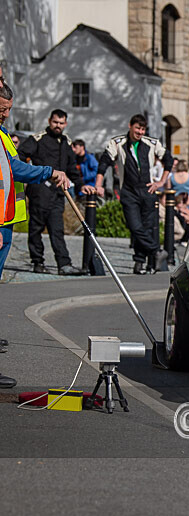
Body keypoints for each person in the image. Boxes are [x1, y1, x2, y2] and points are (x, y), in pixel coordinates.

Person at [0, 77, 70, 388]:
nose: (5, 114)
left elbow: (13, 168)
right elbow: (18, 167)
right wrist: (47, 171)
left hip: (6, 223)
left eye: (8, 109)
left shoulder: (2, 136)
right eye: (2, 108)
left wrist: (49, 172)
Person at [96, 114, 172, 274]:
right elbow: (104, 162)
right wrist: (98, 184)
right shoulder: (118, 143)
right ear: (130, 126)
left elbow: (169, 159)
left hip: (147, 189)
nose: (140, 132)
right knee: (135, 226)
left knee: (147, 227)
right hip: (129, 190)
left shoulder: (151, 143)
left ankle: (139, 263)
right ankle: (157, 251)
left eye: (143, 129)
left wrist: (161, 182)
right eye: (137, 128)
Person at [17, 109, 88, 275]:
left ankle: (64, 264)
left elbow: (71, 168)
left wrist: (80, 186)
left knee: (57, 230)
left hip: (57, 194)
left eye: (61, 123)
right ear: (49, 121)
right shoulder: (37, 139)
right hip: (39, 191)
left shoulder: (65, 142)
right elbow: (20, 155)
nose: (58, 126)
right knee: (36, 228)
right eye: (55, 122)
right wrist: (32, 174)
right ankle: (37, 262)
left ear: (66, 124)